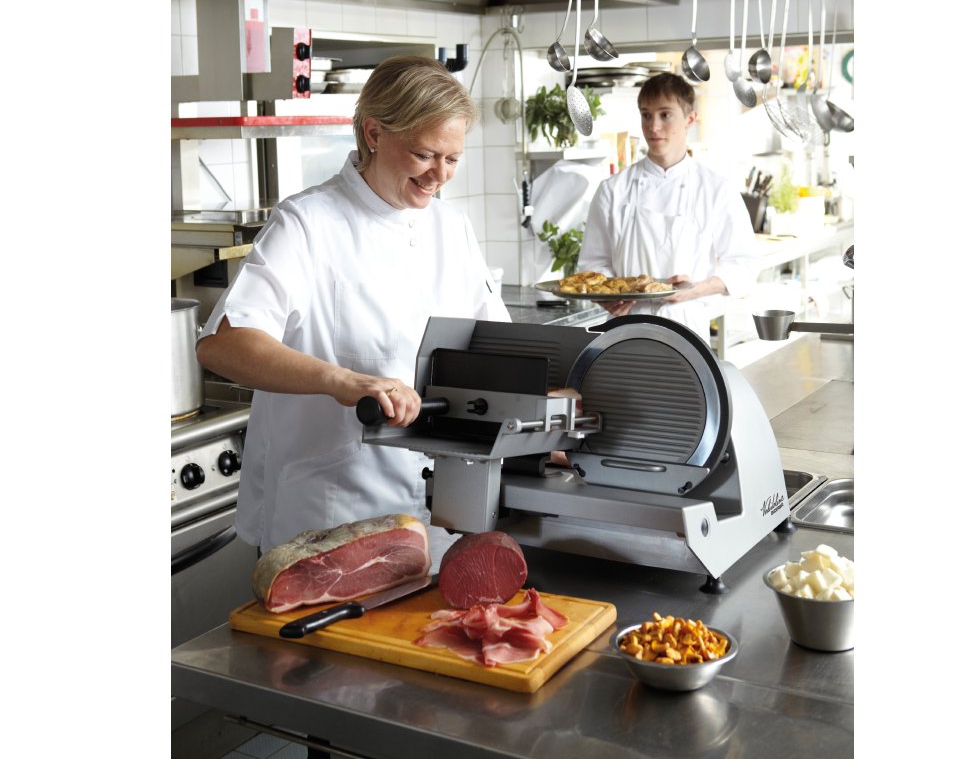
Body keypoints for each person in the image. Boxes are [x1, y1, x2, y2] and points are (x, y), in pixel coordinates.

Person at [196, 55, 509, 557]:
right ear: (374, 133)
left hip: (440, 515)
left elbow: (498, 347)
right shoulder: (307, 223)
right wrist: (340, 380)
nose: (439, 175)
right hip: (329, 520)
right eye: (425, 154)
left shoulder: (452, 229)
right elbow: (224, 345)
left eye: (452, 159)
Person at [577, 71, 758, 344]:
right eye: (646, 115)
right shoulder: (612, 190)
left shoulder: (716, 189)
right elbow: (593, 263)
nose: (653, 126)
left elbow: (744, 266)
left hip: (686, 330)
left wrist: (695, 289)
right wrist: (607, 296)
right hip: (624, 331)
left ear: (689, 120)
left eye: (665, 115)